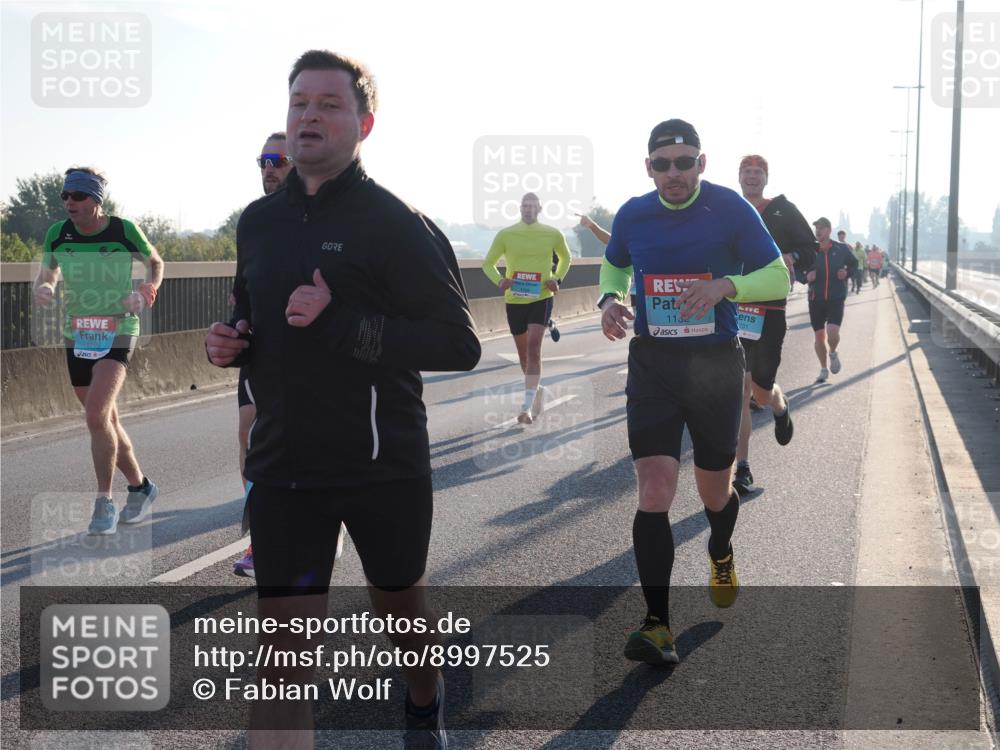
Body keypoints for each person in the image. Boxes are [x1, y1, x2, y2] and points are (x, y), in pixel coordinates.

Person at [205, 50, 480, 749]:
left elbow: (458, 344)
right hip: (284, 469)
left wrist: (341, 323)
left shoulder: (395, 222)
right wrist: (233, 341)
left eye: (329, 105)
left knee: (400, 612)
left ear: (365, 124)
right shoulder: (258, 222)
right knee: (283, 659)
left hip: (380, 466)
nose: (310, 116)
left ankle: (425, 700)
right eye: (300, 102)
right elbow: (252, 315)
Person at [598, 120, 788, 664]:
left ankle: (720, 550)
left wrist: (726, 286)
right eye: (663, 164)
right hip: (654, 365)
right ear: (649, 168)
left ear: (702, 164)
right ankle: (656, 624)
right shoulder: (634, 213)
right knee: (654, 490)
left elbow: (778, 277)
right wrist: (609, 300)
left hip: (714, 366)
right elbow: (614, 264)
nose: (674, 173)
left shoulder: (729, 209)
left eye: (685, 162)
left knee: (714, 493)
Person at [33, 168, 163, 535]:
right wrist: (45, 287)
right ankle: (140, 486)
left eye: (77, 196)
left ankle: (104, 501)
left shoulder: (123, 230)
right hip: (77, 333)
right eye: (65, 196)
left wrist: (146, 291)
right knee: (106, 421)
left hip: (119, 329)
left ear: (96, 200)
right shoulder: (57, 234)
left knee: (95, 416)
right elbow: (48, 272)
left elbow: (155, 262)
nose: (69, 202)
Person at [732, 155, 817, 496]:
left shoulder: (783, 210)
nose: (752, 177)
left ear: (766, 178)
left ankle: (780, 405)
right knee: (740, 390)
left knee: (761, 392)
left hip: (769, 310)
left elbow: (810, 248)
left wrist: (791, 257)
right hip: (734, 308)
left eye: (758, 172)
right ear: (739, 177)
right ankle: (742, 468)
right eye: (747, 172)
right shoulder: (727, 209)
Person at [232, 132, 294, 578]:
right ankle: (261, 539)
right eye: (263, 161)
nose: (269, 169)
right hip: (261, 351)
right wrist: (235, 327)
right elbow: (241, 289)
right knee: (249, 435)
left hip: (316, 354)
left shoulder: (327, 217)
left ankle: (324, 522)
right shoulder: (252, 219)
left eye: (279, 160)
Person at [483, 193, 572, 424]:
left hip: (541, 296)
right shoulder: (506, 234)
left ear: (539, 209)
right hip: (515, 299)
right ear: (520, 208)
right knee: (523, 354)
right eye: (525, 205)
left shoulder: (552, 233)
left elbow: (566, 258)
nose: (528, 209)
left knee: (533, 348)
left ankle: (526, 407)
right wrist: (499, 280)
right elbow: (488, 263)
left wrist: (557, 279)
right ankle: (536, 389)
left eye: (533, 206)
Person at [807, 217, 858, 382]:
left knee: (832, 332)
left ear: (829, 230)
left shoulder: (841, 248)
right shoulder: (810, 250)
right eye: (816, 228)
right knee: (819, 336)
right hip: (815, 299)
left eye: (821, 228)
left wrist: (846, 273)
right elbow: (799, 268)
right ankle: (823, 369)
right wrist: (806, 276)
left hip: (836, 297)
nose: (818, 231)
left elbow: (854, 264)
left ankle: (833, 352)